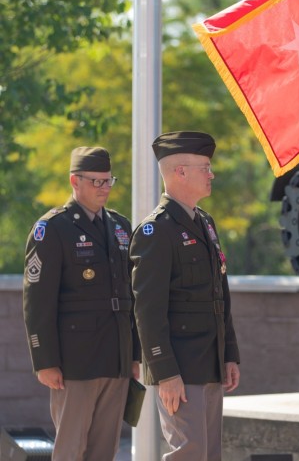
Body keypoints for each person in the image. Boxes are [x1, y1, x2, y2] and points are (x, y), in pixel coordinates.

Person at [23, 146, 140, 461]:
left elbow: (131, 296)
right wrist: (45, 361)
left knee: (105, 449)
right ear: (75, 181)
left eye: (108, 181)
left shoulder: (120, 226)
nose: (104, 189)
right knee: (71, 449)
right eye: (96, 182)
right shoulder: (52, 229)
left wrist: (135, 355)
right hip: (75, 362)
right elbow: (37, 301)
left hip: (116, 357)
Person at [130, 131, 240, 461]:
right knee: (188, 453)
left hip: (210, 359)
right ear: (181, 172)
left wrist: (230, 353)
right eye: (205, 167)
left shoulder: (204, 223)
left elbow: (220, 295)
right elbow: (147, 311)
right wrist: (165, 373)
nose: (212, 174)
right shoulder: (156, 230)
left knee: (209, 454)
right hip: (180, 366)